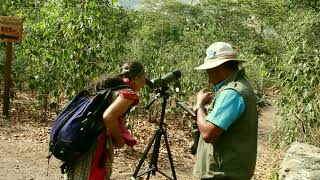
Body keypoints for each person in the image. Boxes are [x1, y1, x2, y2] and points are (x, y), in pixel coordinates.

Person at [65, 61, 146, 180]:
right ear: (135, 78)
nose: (144, 83)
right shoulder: (127, 93)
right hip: (95, 144)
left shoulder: (112, 85)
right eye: (144, 78)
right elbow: (108, 116)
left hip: (80, 137)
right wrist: (119, 140)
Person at [193, 42, 258, 180]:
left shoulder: (232, 93)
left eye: (209, 72)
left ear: (220, 68)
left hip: (224, 174)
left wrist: (199, 106)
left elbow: (208, 133)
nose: (209, 79)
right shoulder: (239, 86)